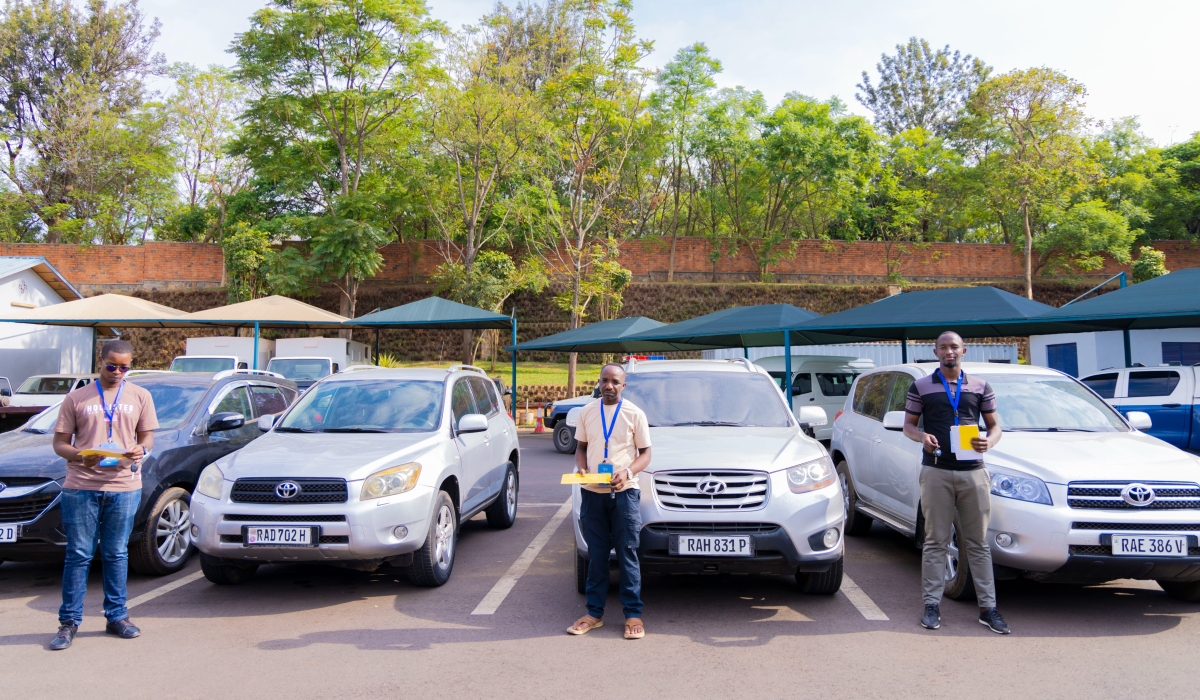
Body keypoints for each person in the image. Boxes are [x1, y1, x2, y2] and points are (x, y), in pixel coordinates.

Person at [48, 340, 158, 651]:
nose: (118, 372)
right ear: (101, 360)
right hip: (81, 486)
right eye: (112, 366)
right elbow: (59, 444)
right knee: (79, 555)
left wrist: (142, 449)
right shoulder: (77, 397)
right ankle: (68, 623)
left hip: (123, 486)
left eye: (125, 367)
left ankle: (117, 618)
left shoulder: (140, 395)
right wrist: (79, 455)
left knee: (116, 553)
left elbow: (147, 437)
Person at [902, 331, 1009, 635]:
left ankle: (989, 609)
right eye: (944, 347)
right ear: (935, 352)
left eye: (954, 347)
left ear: (964, 350)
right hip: (936, 470)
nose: (949, 351)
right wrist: (922, 436)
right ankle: (932, 605)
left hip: (973, 472)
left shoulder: (980, 386)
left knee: (978, 543)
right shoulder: (921, 386)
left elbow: (995, 426)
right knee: (935, 541)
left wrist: (990, 442)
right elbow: (908, 425)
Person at [567, 363, 652, 640]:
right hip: (593, 494)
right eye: (605, 380)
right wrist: (581, 468)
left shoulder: (634, 414)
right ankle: (594, 614)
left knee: (627, 554)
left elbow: (646, 454)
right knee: (597, 557)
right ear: (599, 382)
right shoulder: (587, 412)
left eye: (615, 381)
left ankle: (633, 615)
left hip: (625, 494)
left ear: (623, 385)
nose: (609, 386)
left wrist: (627, 472)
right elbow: (580, 448)